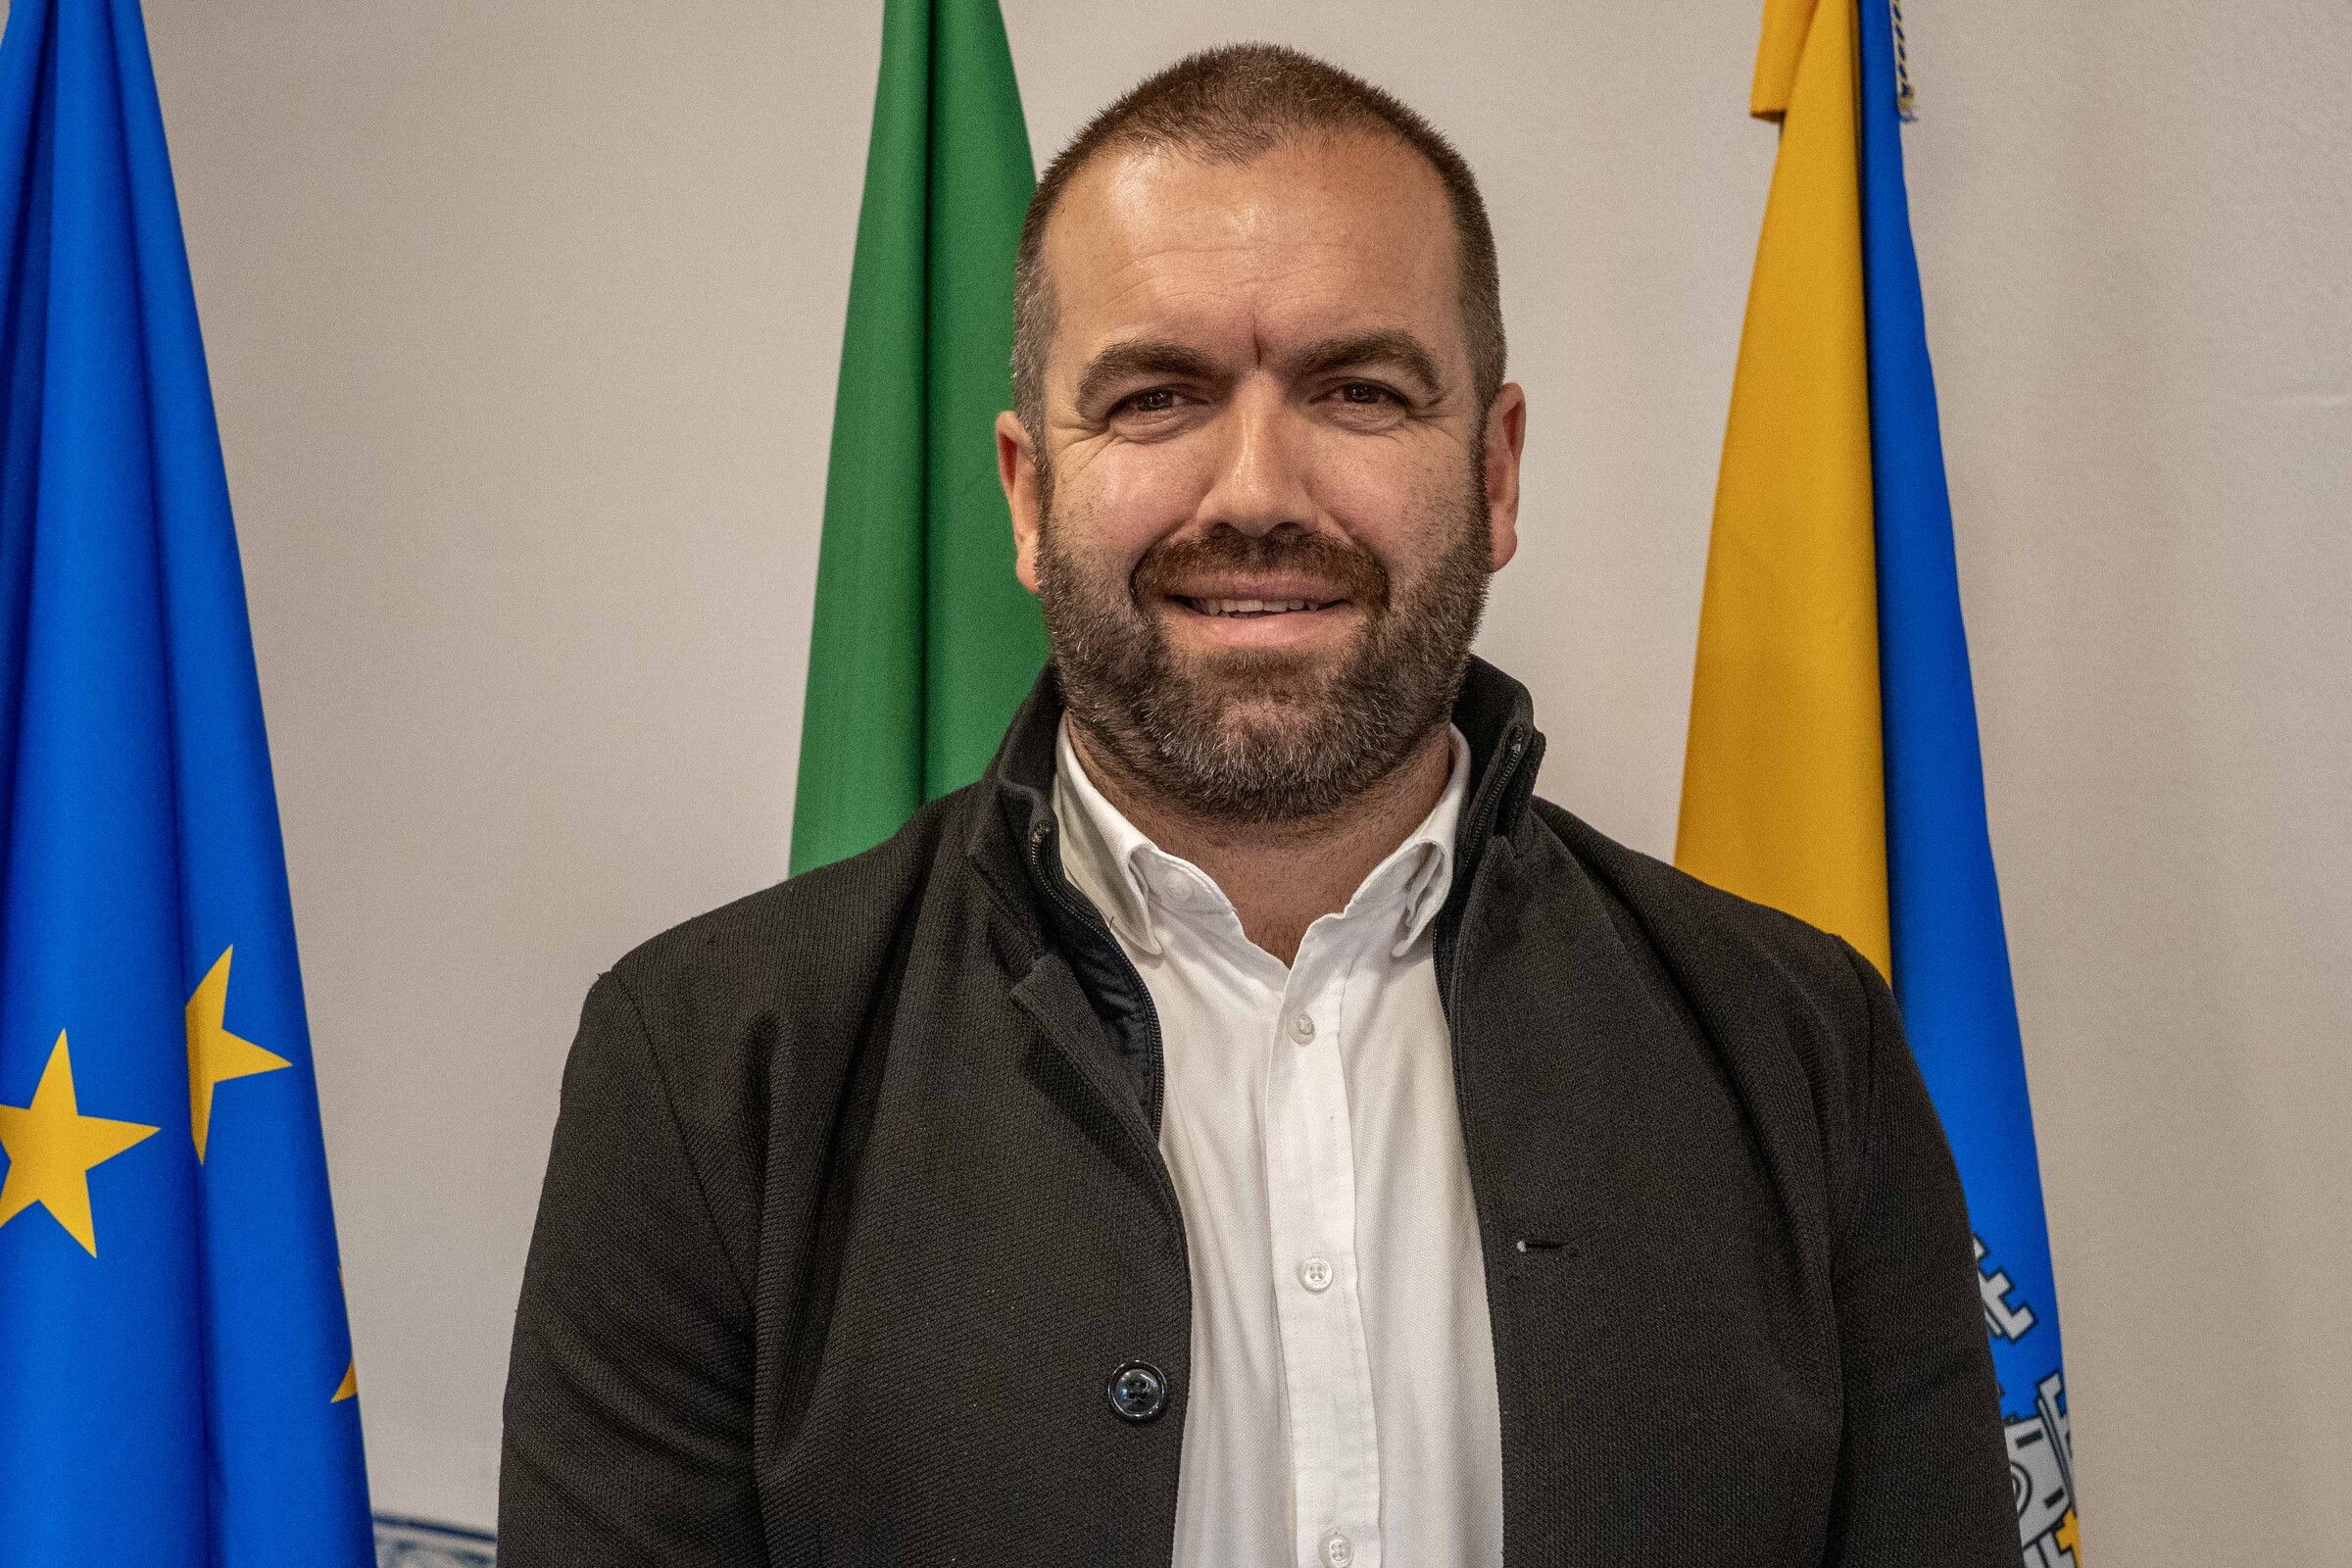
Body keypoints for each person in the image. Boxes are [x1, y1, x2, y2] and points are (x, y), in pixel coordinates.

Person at [499, 43, 2016, 1568]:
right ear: (1027, 492)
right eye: (1157, 397)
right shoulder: (710, 1074)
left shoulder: (1801, 1049)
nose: (1256, 493)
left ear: (1496, 473)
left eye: (1359, 391)